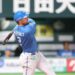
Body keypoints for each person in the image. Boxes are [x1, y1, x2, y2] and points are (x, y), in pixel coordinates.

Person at [3, 11, 56, 75]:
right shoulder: (28, 30)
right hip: (29, 58)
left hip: (38, 55)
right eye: (25, 17)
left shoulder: (16, 29)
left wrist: (19, 23)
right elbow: (32, 21)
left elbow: (20, 25)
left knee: (51, 73)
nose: (27, 18)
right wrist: (21, 23)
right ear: (19, 20)